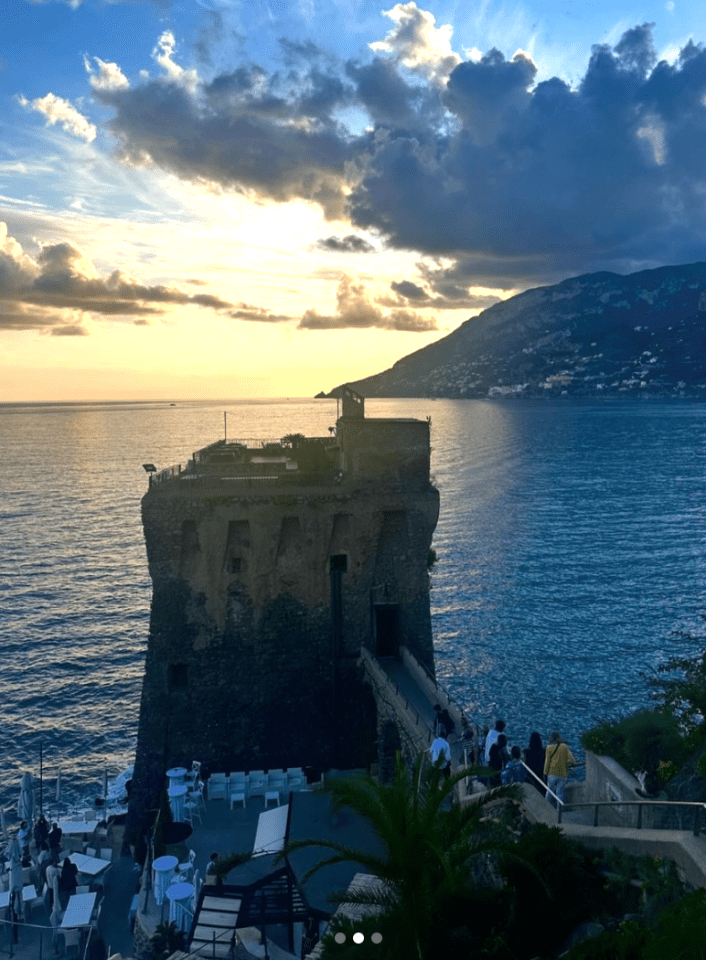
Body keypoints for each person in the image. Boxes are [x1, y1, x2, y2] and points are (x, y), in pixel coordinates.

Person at [544, 731, 576, 806]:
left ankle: (545, 806)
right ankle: (559, 810)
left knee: (549, 791)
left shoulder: (549, 748)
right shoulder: (564, 747)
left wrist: (545, 772)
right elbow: (571, 759)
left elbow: (547, 761)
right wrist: (572, 763)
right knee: (560, 792)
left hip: (552, 773)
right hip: (562, 774)